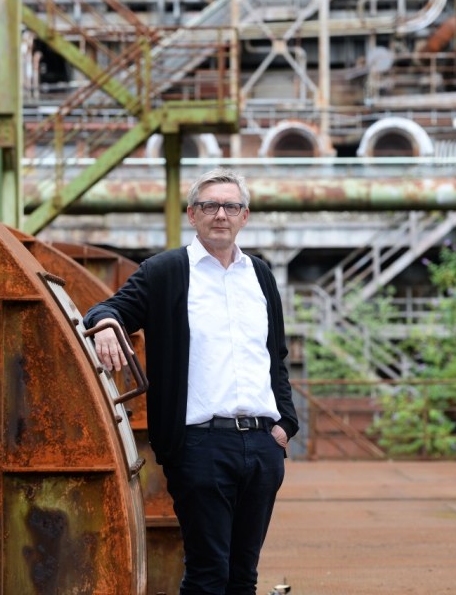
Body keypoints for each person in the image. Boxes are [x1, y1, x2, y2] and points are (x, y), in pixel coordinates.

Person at [84, 167, 300, 595]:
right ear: (192, 214)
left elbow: (274, 355)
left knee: (243, 576)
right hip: (200, 445)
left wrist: (285, 423)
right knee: (207, 573)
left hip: (261, 446)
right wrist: (107, 324)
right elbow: (108, 309)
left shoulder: (260, 276)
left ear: (244, 216)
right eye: (210, 206)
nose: (221, 214)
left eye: (230, 206)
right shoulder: (165, 272)